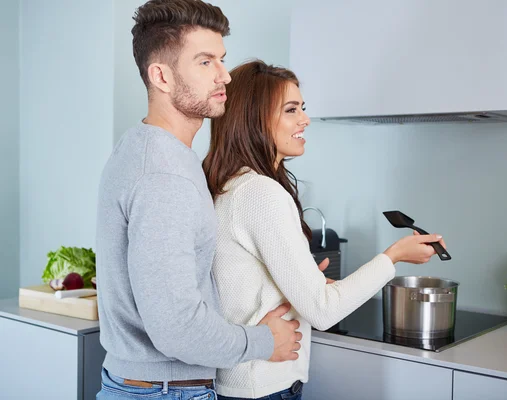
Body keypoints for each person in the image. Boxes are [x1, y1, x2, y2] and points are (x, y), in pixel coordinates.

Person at [202, 60, 447, 400]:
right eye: (291, 110)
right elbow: (323, 311)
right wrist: (394, 256)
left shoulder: (233, 186)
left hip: (248, 381)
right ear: (254, 118)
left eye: (303, 108)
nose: (305, 119)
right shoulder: (259, 193)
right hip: (261, 386)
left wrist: (306, 280)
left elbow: (244, 285)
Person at [95, 2, 301, 398]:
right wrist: (263, 341)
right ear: (162, 76)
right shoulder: (164, 176)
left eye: (221, 60)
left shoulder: (152, 150)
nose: (224, 75)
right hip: (168, 390)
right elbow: (177, 328)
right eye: (205, 62)